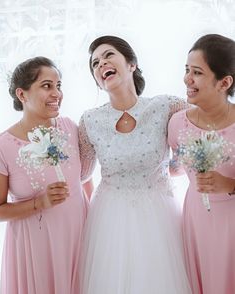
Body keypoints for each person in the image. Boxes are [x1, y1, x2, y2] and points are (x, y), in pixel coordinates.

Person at [78, 35, 191, 294]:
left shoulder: (166, 106)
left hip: (160, 214)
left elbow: (200, 128)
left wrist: (178, 165)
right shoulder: (90, 121)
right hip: (108, 219)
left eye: (108, 55)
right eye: (95, 64)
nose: (100, 64)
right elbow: (82, 175)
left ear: (131, 64)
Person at [0, 56, 90, 294]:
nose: (57, 94)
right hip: (35, 248)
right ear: (22, 95)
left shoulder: (70, 127)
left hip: (79, 238)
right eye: (47, 86)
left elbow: (85, 179)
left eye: (58, 86)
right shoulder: (3, 146)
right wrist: (40, 203)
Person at [168, 34, 235, 294]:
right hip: (196, 221)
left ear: (224, 82)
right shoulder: (177, 123)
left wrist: (228, 183)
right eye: (186, 70)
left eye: (196, 72)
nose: (187, 79)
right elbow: (174, 167)